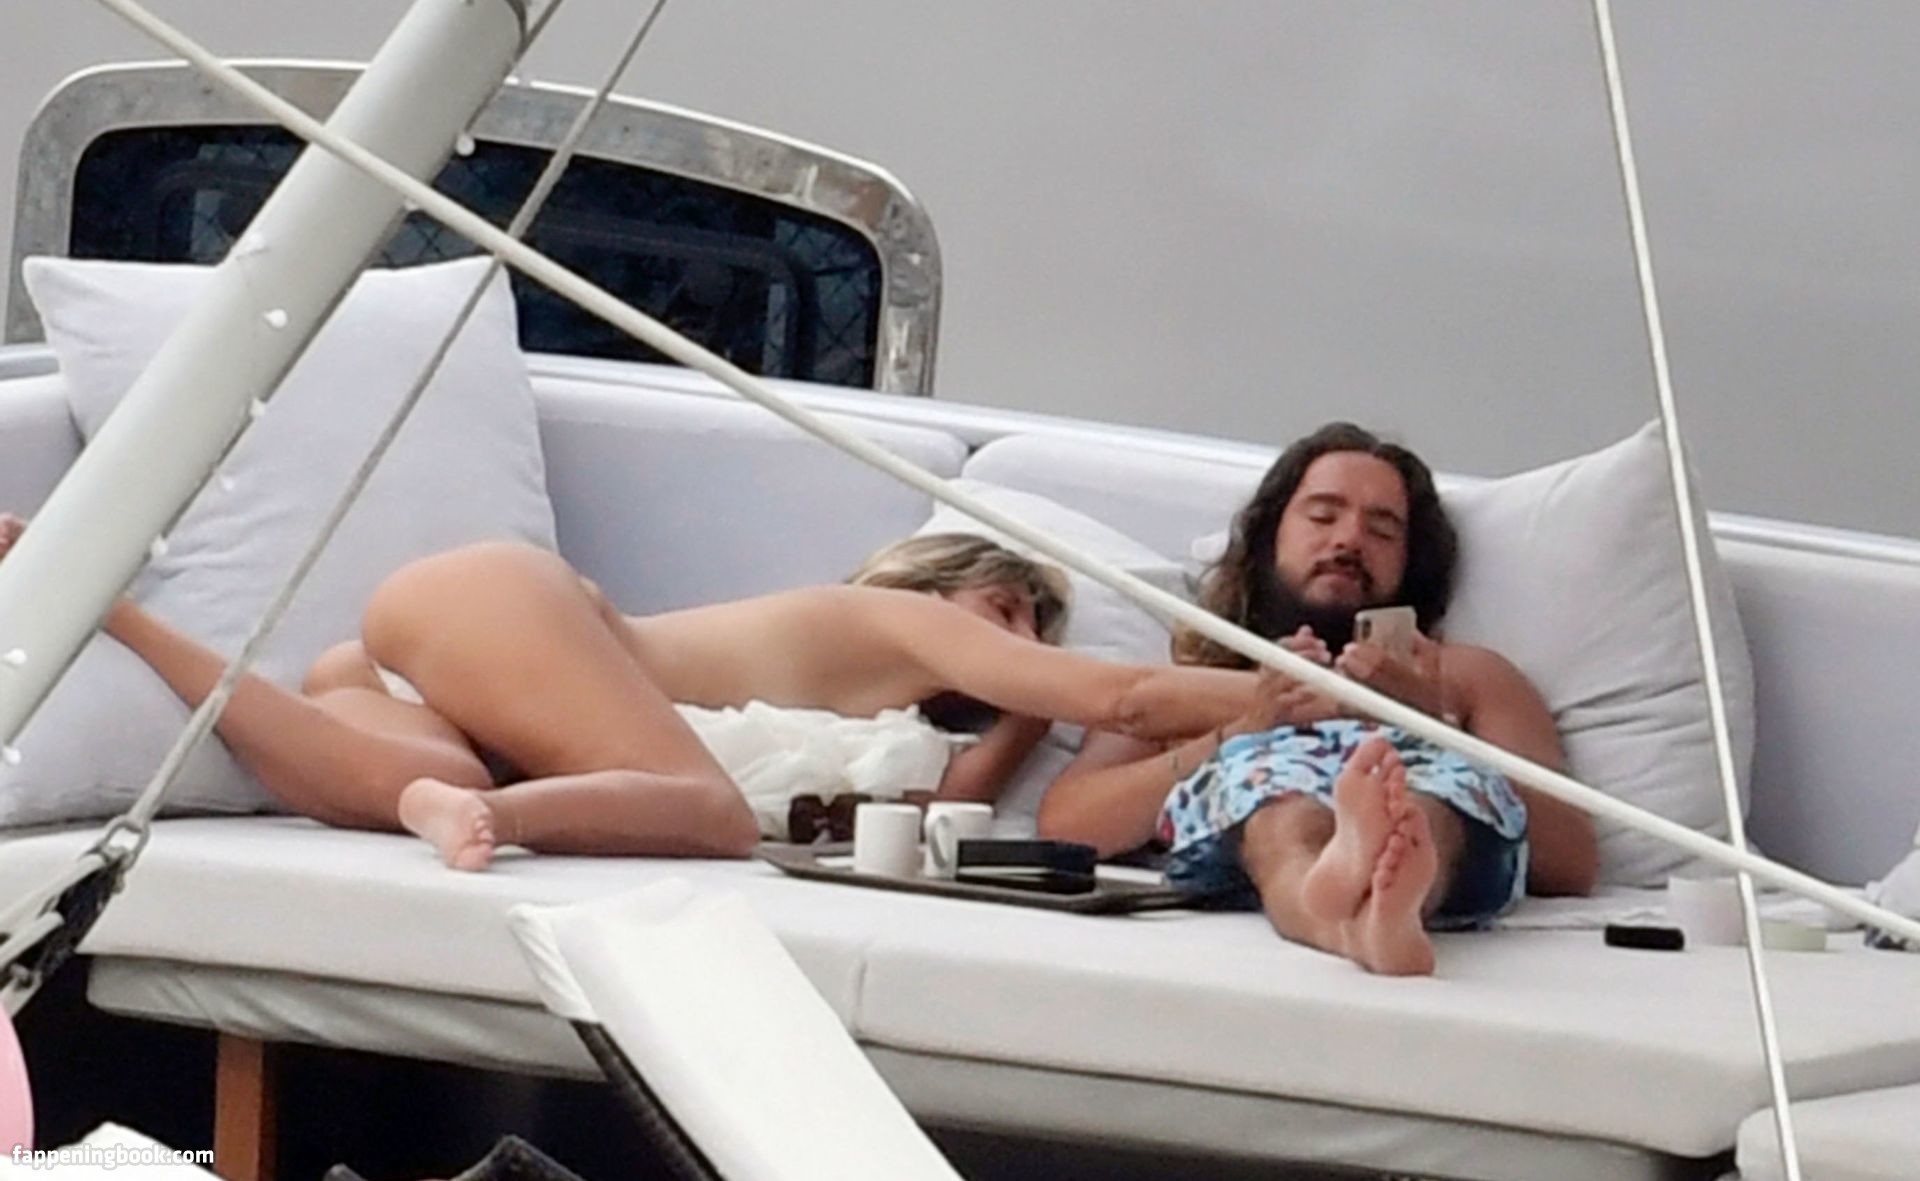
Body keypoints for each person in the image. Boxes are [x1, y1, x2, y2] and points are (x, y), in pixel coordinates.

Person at [0, 515, 1263, 871]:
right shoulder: (905, 618)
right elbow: (1126, 696)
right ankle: (499, 816)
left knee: (410, 780)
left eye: (1037, 628)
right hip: (498, 602)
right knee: (703, 813)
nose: (1021, 643)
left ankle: (116, 609)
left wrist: (1028, 714)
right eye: (1009, 609)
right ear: (942, 581)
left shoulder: (882, 716)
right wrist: (1298, 695)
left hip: (460, 675)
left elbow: (938, 827)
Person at [1036, 423, 1599, 976]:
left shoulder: (1466, 674)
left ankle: (1371, 891)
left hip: (1437, 828)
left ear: (1412, 561)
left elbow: (1571, 861)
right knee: (1282, 812)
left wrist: (1431, 725)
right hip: (1265, 817)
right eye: (1324, 516)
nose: (1349, 540)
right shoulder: (1196, 678)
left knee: (1415, 811)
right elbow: (1070, 825)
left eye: (1382, 530)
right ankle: (1364, 919)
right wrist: (1243, 729)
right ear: (1270, 536)